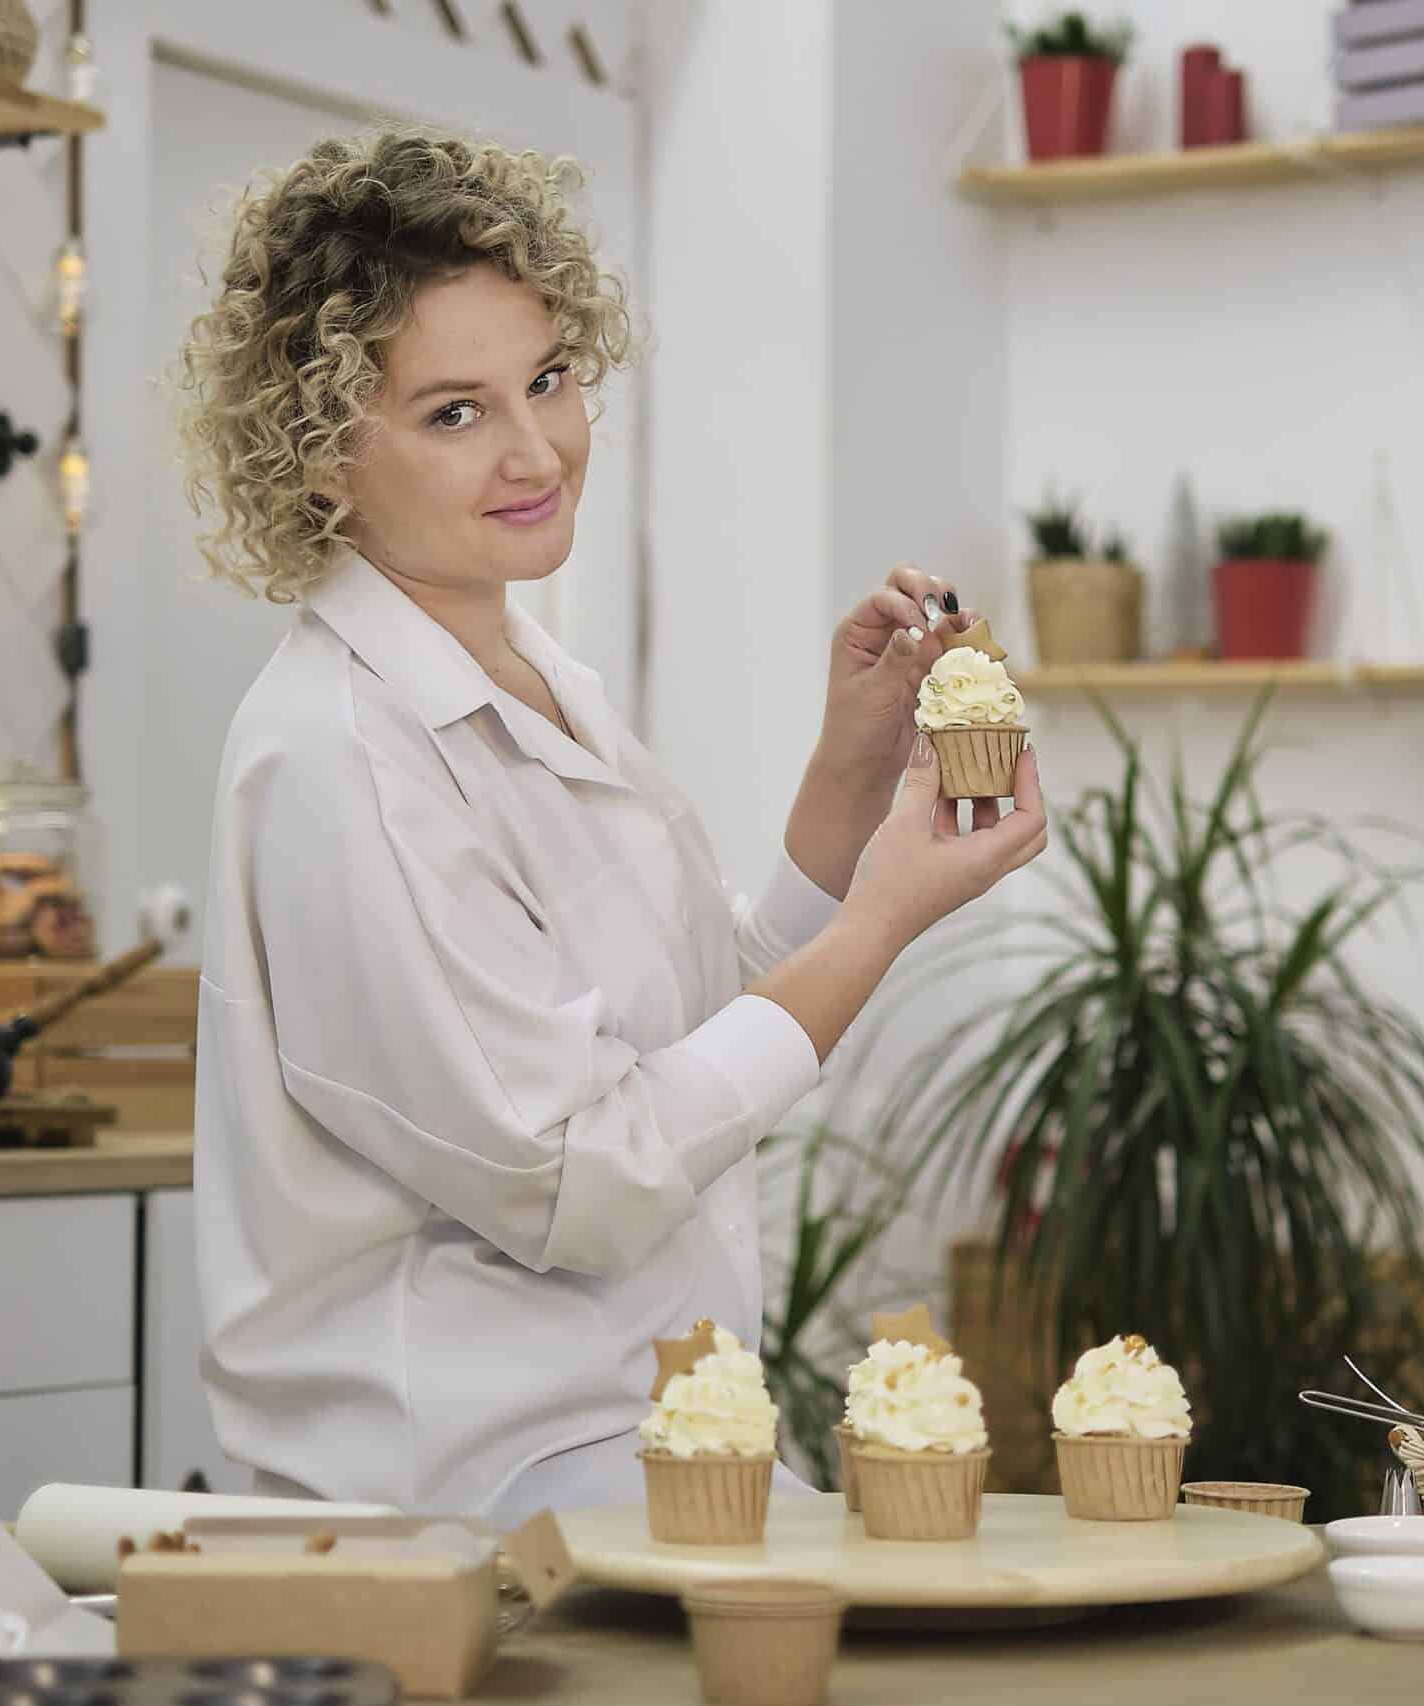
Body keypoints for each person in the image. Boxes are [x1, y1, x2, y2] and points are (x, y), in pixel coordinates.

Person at [176, 127, 1046, 1525]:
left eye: (549, 379)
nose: (536, 449)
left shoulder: (534, 678)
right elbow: (584, 1171)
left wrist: (852, 778)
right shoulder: (343, 759)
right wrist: (886, 915)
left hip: (645, 1453)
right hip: (472, 1507)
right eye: (453, 411)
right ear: (320, 449)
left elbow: (693, 1030)